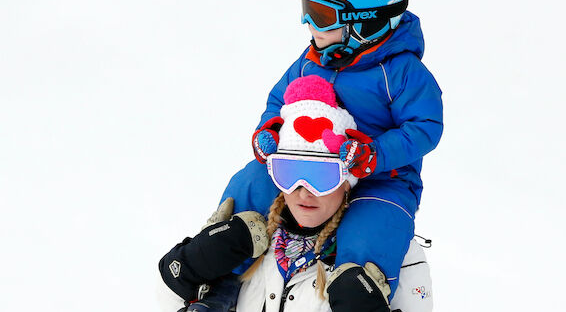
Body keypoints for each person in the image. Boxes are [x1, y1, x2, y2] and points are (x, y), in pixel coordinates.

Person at [217, 0, 443, 309]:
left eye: (321, 14)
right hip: (306, 167)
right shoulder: (311, 60)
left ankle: (357, 295)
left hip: (380, 179)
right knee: (251, 182)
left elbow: (425, 126)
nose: (310, 24)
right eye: (307, 9)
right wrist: (272, 131)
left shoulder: (401, 73)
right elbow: (279, 102)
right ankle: (218, 279)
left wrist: (375, 155)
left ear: (365, 20)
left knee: (371, 229)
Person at [158, 76, 433, 312]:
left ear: (347, 181)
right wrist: (191, 264)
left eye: (322, 176)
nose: (304, 191)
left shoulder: (393, 252)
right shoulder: (249, 243)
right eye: (290, 173)